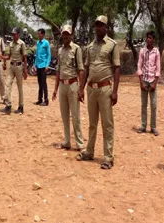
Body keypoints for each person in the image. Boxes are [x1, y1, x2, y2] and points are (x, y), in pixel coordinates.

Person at [77, 15, 120, 170]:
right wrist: (81, 89)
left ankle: (108, 157)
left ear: (106, 27)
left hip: (105, 88)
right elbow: (86, 68)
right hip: (91, 89)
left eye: (101, 25)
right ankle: (89, 151)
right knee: (92, 123)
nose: (98, 28)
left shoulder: (112, 45)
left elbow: (116, 68)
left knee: (107, 123)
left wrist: (115, 91)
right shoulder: (89, 47)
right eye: (96, 25)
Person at [51, 25, 85, 151]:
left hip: (72, 85)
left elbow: (81, 70)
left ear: (71, 35)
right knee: (64, 115)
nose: (65, 36)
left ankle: (80, 143)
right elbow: (58, 70)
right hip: (62, 85)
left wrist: (80, 89)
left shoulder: (76, 49)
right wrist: (55, 89)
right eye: (63, 34)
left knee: (75, 116)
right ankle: (67, 141)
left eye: (67, 34)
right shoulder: (60, 51)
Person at [136, 31, 160, 136]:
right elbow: (139, 66)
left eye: (150, 38)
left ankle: (153, 127)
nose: (148, 40)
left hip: (152, 80)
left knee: (153, 105)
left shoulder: (156, 52)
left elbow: (158, 68)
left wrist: (155, 83)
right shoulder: (142, 51)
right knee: (143, 105)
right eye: (147, 38)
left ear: (153, 39)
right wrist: (141, 82)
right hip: (144, 80)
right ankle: (143, 126)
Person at [0, 27, 28, 114]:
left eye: (14, 34)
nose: (13, 36)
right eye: (12, 34)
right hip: (11, 67)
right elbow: (8, 56)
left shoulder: (21, 44)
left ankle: (21, 106)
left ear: (18, 34)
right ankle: (8, 105)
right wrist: (1, 57)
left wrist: (25, 70)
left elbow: (25, 57)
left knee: (20, 87)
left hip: (19, 67)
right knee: (7, 84)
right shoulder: (11, 44)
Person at [35, 28, 51, 106]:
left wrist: (47, 65)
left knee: (44, 83)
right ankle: (40, 99)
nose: (38, 35)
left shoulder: (46, 43)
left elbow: (49, 55)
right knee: (39, 83)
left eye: (39, 34)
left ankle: (46, 100)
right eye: (38, 34)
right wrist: (35, 64)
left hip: (44, 65)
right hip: (38, 65)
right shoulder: (38, 43)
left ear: (43, 34)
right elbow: (37, 54)